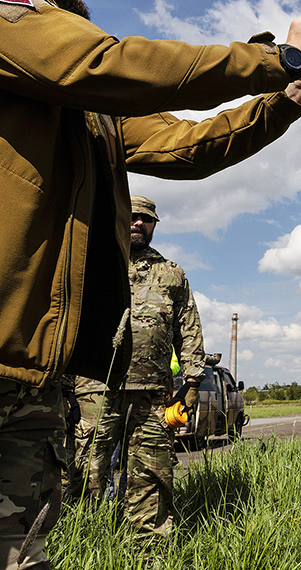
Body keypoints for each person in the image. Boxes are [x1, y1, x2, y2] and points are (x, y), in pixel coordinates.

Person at [0, 0, 301, 565]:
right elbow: (108, 63)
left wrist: (287, 97)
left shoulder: (76, 95)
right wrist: (280, 58)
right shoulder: (14, 21)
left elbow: (185, 145)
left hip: (32, 379)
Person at [72, 196, 205, 538]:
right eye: (131, 216)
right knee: (87, 468)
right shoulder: (92, 263)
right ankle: (83, 540)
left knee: (152, 471)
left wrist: (192, 381)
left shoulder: (171, 273)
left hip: (151, 393)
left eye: (145, 218)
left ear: (154, 225)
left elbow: (188, 328)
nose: (137, 223)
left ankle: (149, 548)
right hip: (96, 388)